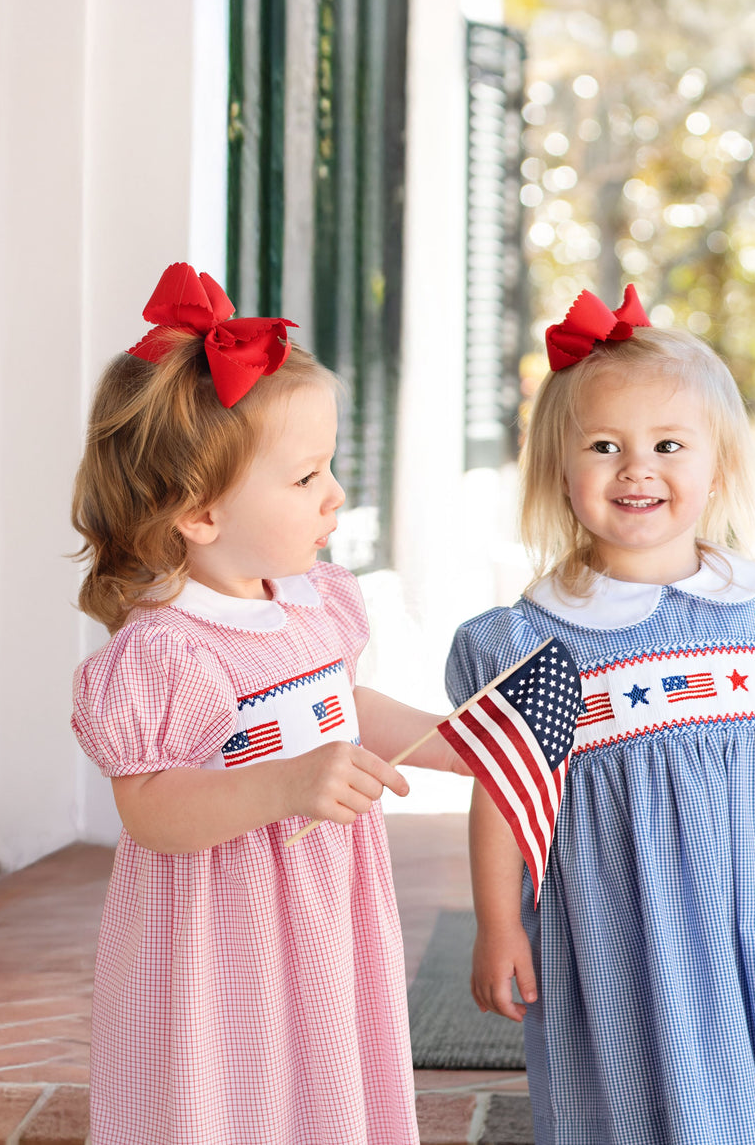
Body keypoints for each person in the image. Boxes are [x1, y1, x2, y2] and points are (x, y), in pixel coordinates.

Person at [448, 287, 755, 1145]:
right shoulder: (532, 638)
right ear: (560, 474)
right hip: (629, 923)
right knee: (655, 1110)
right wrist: (498, 922)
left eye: (667, 446)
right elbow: (502, 791)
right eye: (603, 447)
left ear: (716, 468)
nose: (636, 469)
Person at [70, 263, 468, 1144]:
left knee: (321, 1076)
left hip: (323, 909)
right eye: (305, 478)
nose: (334, 494)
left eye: (330, 466)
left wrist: (453, 741)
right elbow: (149, 812)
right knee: (226, 1098)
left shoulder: (307, 600)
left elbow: (341, 706)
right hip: (218, 937)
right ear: (198, 513)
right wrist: (285, 786)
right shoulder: (168, 648)